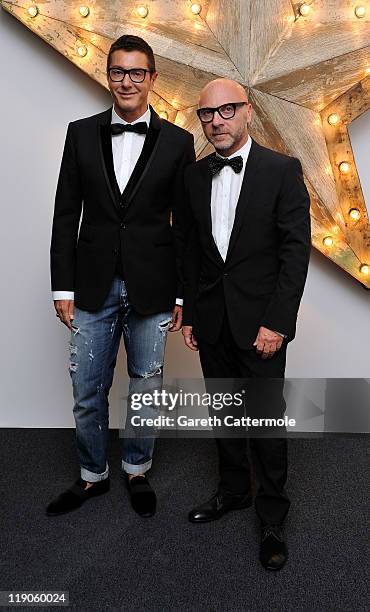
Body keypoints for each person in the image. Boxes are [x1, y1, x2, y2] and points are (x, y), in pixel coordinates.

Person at [47, 34, 195, 518]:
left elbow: (185, 226)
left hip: (154, 286)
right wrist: (62, 286)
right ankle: (92, 476)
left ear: (152, 78)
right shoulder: (80, 132)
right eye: (117, 72)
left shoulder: (179, 141)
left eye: (136, 73)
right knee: (87, 387)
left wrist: (181, 294)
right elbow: (66, 214)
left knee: (145, 385)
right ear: (107, 75)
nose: (126, 81)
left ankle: (136, 467)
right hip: (91, 284)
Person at [181, 78, 311, 570]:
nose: (216, 120)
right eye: (207, 114)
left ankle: (273, 514)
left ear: (248, 112)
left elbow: (295, 254)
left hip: (261, 324)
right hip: (212, 320)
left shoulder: (282, 170)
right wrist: (192, 313)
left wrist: (278, 322)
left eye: (226, 110)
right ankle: (233, 491)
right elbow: (191, 250)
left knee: (263, 418)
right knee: (224, 415)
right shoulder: (194, 177)